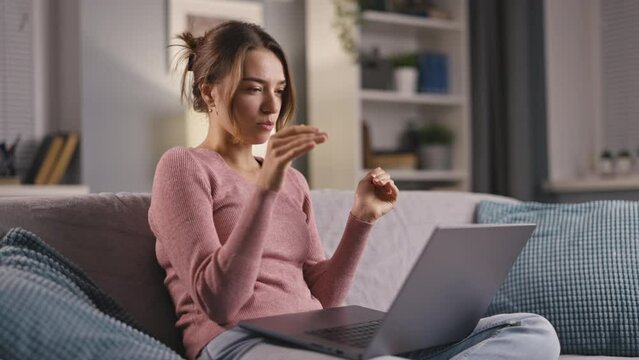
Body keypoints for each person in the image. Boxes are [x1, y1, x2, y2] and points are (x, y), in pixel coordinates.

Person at [149, 21, 560, 360]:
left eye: (278, 90)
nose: (272, 107)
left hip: (318, 334)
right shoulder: (183, 167)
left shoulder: (292, 181)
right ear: (209, 92)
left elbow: (326, 300)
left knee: (531, 330)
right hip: (241, 343)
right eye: (254, 88)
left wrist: (361, 218)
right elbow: (219, 303)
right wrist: (264, 191)